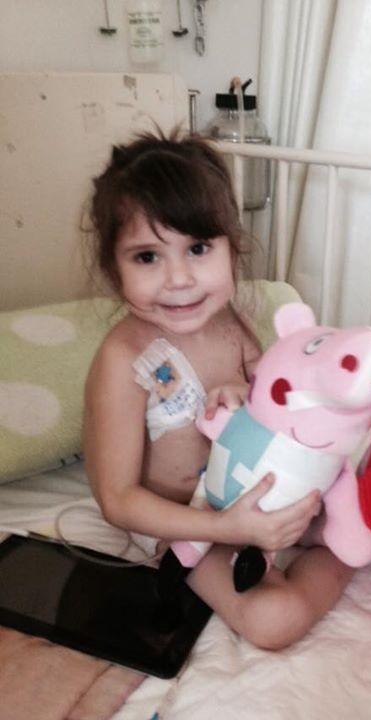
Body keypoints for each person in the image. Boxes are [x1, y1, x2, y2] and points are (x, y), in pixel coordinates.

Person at [83, 128, 354, 649]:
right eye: (147, 257)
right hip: (181, 523)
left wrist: (248, 394)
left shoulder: (231, 323)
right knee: (272, 620)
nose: (179, 279)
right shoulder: (123, 358)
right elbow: (118, 500)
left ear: (233, 248)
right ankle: (332, 566)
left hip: (251, 496)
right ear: (114, 269)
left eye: (198, 248)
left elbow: (276, 408)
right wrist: (230, 529)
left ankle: (346, 550)